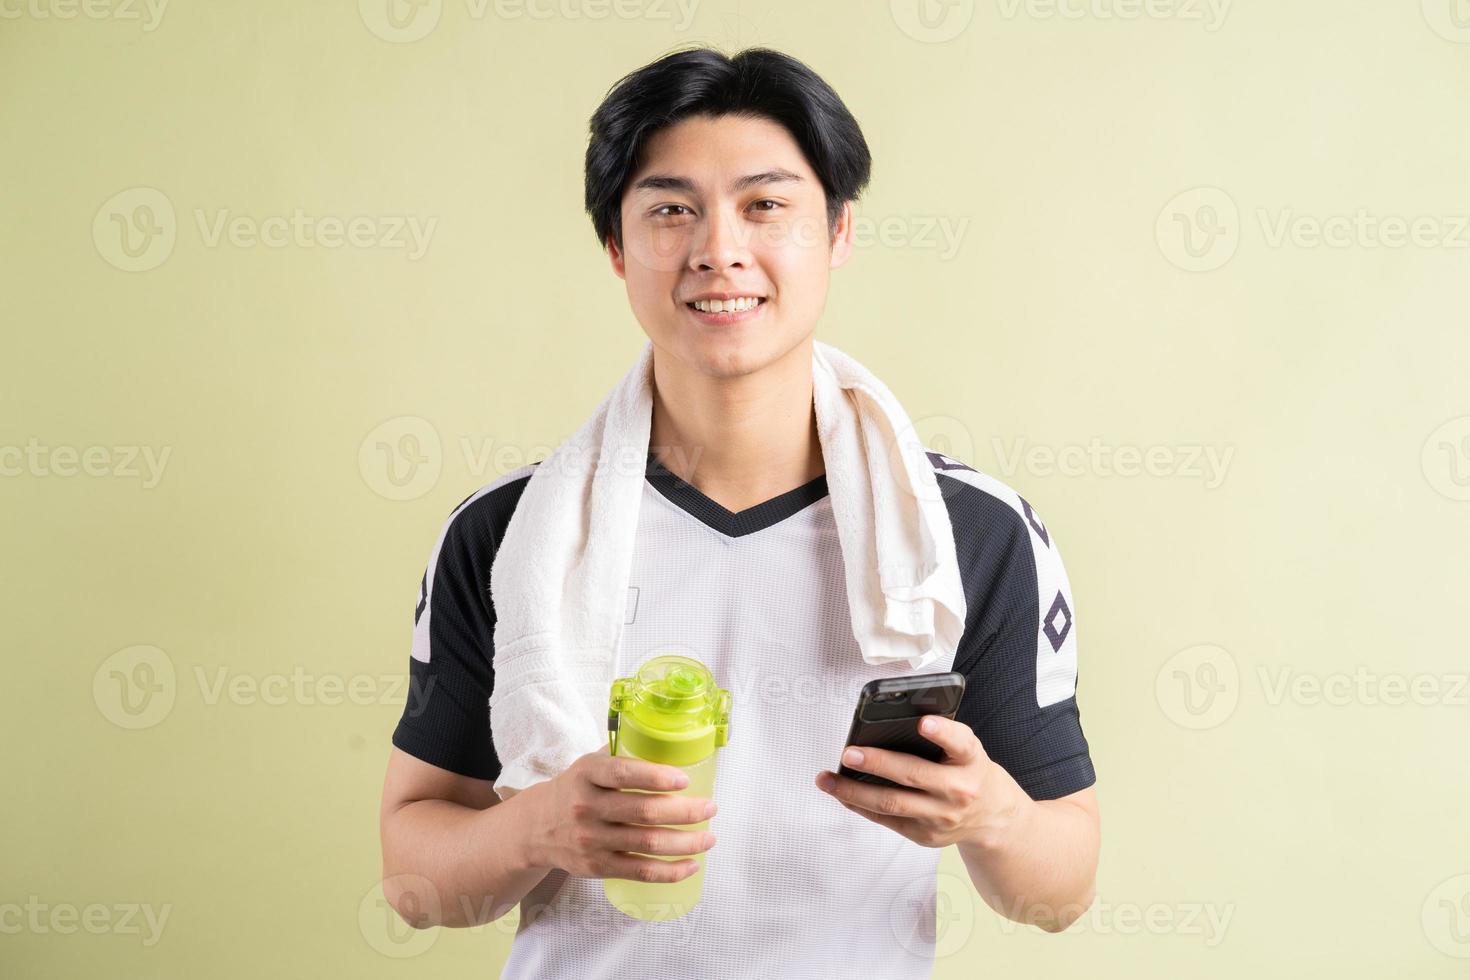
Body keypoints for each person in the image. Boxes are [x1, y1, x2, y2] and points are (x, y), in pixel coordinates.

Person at [378, 45, 1100, 978]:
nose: (719, 248)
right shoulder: (513, 532)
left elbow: (1060, 890)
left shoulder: (965, 531)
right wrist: (538, 827)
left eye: (766, 205)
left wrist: (990, 816)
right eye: (671, 209)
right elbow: (414, 883)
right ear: (617, 247)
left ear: (839, 231)